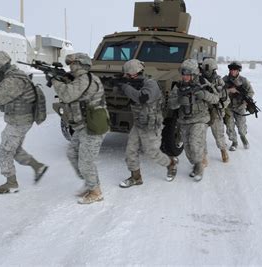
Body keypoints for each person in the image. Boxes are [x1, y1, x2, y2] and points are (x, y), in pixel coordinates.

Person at [0, 51, 48, 194]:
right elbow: (2, 91)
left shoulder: (14, 79)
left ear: (0, 66)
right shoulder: (11, 76)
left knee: (3, 153)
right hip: (20, 119)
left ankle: (11, 183)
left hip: (19, 121)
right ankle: (38, 167)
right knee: (14, 149)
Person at [48, 52, 107, 204]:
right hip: (82, 125)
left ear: (80, 64)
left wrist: (55, 80)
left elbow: (67, 95)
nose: (71, 67)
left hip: (92, 126)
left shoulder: (85, 79)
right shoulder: (79, 79)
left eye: (73, 64)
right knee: (72, 153)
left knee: (86, 162)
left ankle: (95, 192)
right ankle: (90, 182)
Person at [116, 59, 178, 187]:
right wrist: (119, 85)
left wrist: (126, 87)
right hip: (139, 123)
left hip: (151, 124)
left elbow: (142, 98)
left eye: (127, 74)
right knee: (130, 151)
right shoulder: (132, 83)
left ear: (134, 74)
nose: (126, 76)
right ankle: (136, 177)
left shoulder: (151, 84)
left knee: (153, 153)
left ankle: (171, 163)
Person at [168, 59, 219, 181]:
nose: (185, 77)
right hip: (184, 121)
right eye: (183, 74)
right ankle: (196, 164)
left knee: (195, 145)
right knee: (188, 150)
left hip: (200, 119)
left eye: (187, 74)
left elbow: (216, 98)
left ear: (194, 74)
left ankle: (199, 168)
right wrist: (179, 101)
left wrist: (204, 95)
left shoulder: (203, 83)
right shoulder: (178, 86)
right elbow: (170, 104)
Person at [200, 58, 230, 163]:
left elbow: (226, 98)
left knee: (219, 134)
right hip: (202, 112)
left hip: (215, 112)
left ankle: (223, 150)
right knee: (200, 136)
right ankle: (203, 157)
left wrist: (221, 107)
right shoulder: (198, 80)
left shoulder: (218, 81)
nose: (206, 72)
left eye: (209, 70)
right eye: (204, 69)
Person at [223, 61, 255, 151]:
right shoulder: (224, 80)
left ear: (239, 70)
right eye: (231, 69)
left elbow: (251, 92)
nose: (233, 71)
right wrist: (229, 90)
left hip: (240, 106)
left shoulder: (243, 80)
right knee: (229, 125)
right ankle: (234, 142)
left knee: (241, 125)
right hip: (228, 107)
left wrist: (246, 100)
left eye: (235, 69)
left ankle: (243, 137)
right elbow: (218, 92)